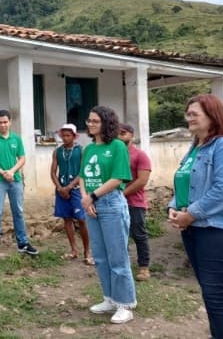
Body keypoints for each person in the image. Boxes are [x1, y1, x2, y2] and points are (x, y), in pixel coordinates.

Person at [168, 94, 223, 339]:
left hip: (220, 229)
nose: (188, 118)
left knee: (215, 295)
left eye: (194, 114)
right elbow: (184, 182)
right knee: (209, 292)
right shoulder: (195, 146)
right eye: (187, 114)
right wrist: (173, 206)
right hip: (195, 228)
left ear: (212, 116)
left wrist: (190, 214)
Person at [79, 105, 135, 324]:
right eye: (89, 120)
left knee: (117, 257)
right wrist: (86, 198)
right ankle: (109, 298)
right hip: (91, 205)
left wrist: (92, 196)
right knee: (100, 257)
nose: (90, 124)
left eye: (95, 121)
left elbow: (119, 178)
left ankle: (125, 304)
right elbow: (82, 175)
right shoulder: (89, 149)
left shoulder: (118, 146)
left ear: (106, 123)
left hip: (111, 204)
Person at [0, 109, 38, 260]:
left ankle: (23, 244)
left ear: (10, 122)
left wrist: (12, 171)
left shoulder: (16, 139)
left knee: (18, 212)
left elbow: (22, 158)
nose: (3, 125)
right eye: (0, 122)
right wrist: (3, 173)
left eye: (5, 122)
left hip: (15, 180)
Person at [50, 123, 93, 265]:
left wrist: (69, 187)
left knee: (81, 219)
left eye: (68, 135)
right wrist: (60, 188)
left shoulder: (81, 151)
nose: (65, 138)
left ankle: (87, 251)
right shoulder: (57, 151)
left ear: (74, 136)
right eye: (63, 135)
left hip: (76, 190)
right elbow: (53, 172)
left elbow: (82, 173)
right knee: (67, 219)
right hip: (61, 190)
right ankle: (73, 250)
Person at [118, 123, 152, 281]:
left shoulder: (140, 155)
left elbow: (142, 181)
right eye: (117, 133)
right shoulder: (115, 154)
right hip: (116, 203)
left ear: (131, 135)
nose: (120, 136)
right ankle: (122, 266)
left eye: (123, 133)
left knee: (139, 235)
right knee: (119, 236)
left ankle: (144, 268)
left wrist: (122, 194)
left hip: (134, 202)